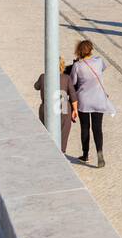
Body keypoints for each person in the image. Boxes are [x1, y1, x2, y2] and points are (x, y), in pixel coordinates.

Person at [70, 39, 114, 167]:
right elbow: (102, 69)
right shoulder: (99, 61)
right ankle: (100, 154)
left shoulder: (77, 66)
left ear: (79, 51)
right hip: (99, 100)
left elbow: (73, 82)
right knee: (97, 128)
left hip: (84, 101)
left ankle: (85, 155)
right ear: (91, 50)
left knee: (85, 128)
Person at [34, 57, 76, 153]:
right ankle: (61, 152)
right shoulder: (66, 78)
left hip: (47, 108)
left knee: (47, 131)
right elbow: (73, 95)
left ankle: (48, 151)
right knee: (63, 133)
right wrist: (75, 110)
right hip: (64, 108)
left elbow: (36, 86)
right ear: (61, 66)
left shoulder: (43, 77)